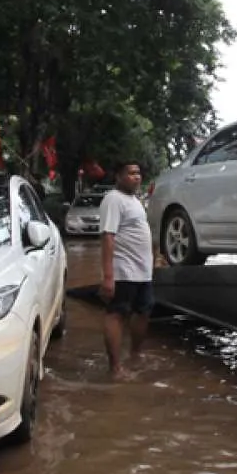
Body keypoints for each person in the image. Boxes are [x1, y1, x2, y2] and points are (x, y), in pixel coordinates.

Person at [98, 161, 154, 376]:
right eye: (131, 173)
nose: (136, 177)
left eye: (138, 173)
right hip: (124, 270)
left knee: (144, 311)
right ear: (119, 176)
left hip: (143, 271)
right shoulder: (113, 199)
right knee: (116, 314)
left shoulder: (135, 201)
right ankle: (115, 368)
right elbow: (108, 237)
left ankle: (135, 355)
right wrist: (108, 276)